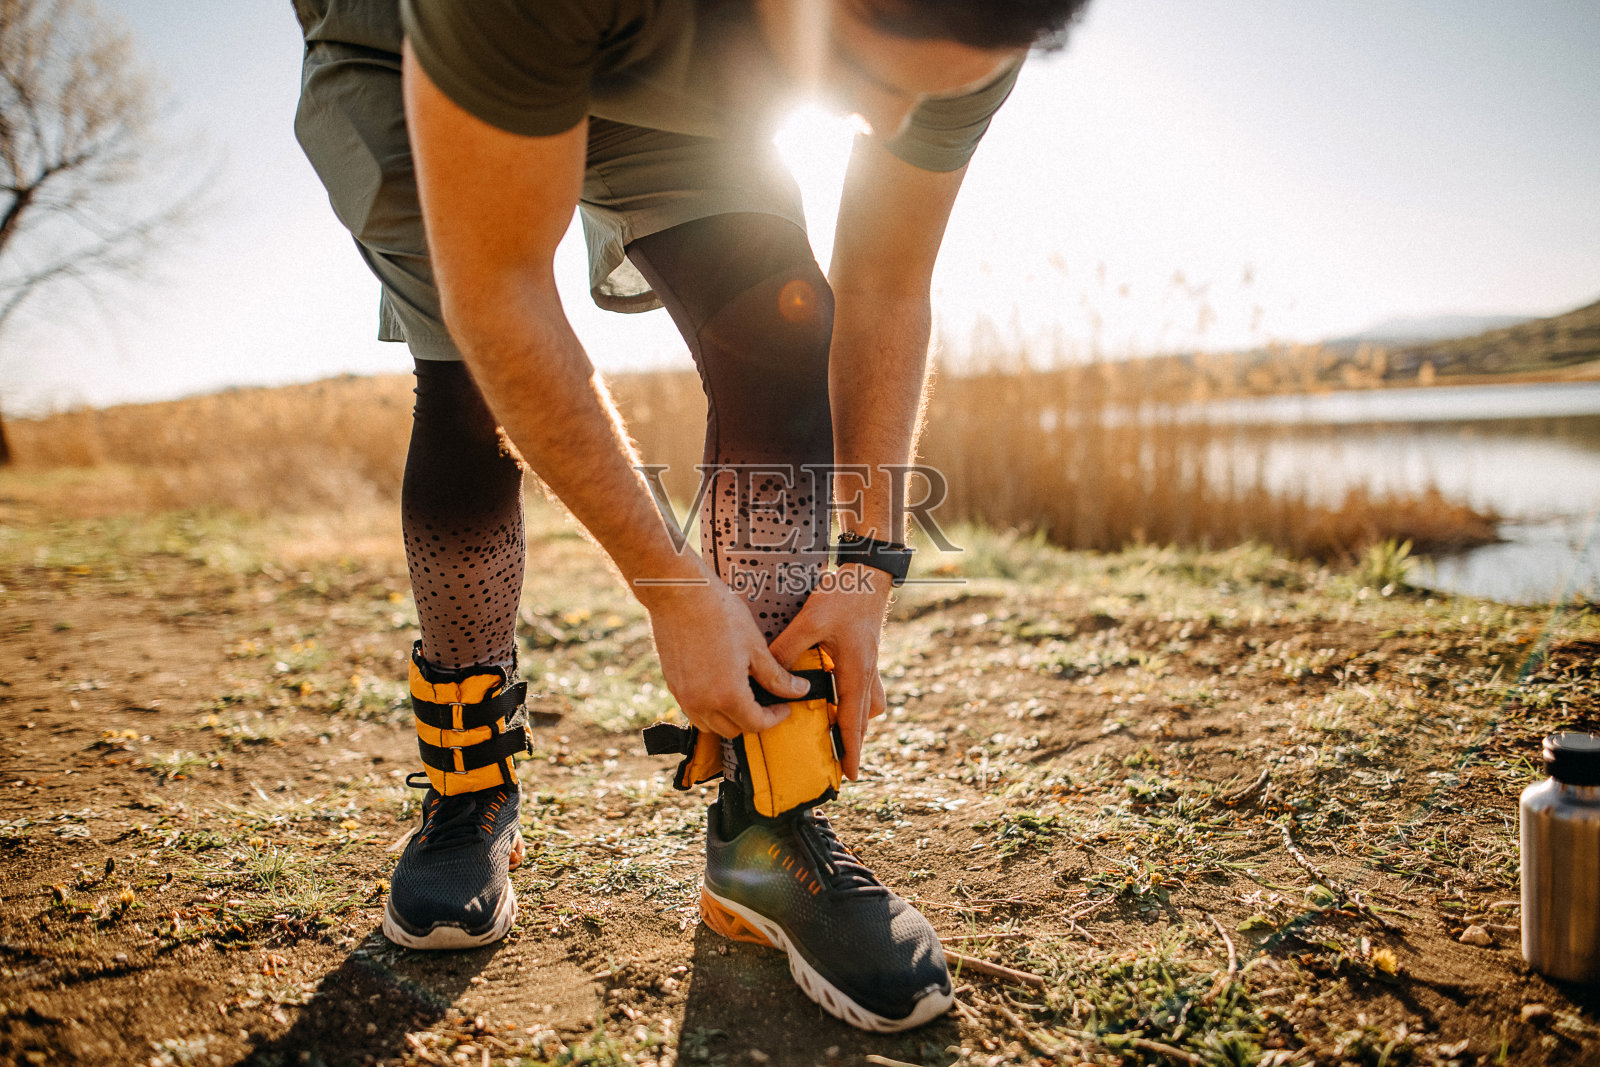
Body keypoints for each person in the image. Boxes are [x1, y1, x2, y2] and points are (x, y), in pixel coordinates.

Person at [292, 0, 1088, 1032]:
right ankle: (467, 784)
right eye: (859, 66)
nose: (887, 125)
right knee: (467, 379)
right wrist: (668, 583)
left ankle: (766, 821)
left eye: (924, 94)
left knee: (778, 310)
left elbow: (885, 285)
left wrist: (872, 562)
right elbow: (500, 287)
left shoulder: (970, 32)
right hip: (417, 42)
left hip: (689, 70)